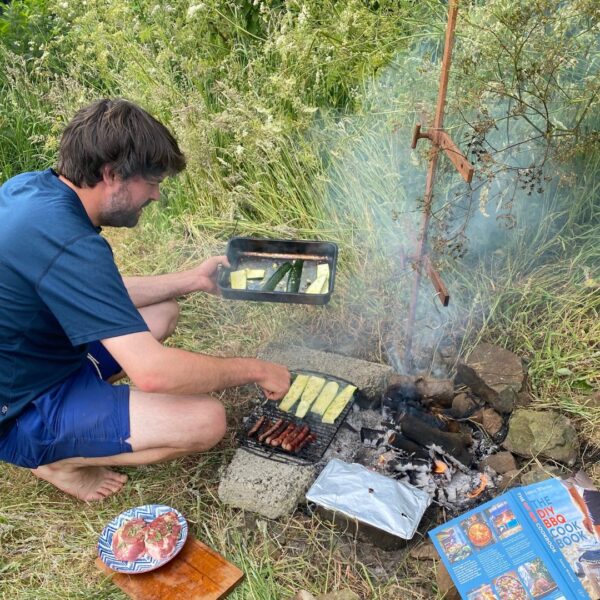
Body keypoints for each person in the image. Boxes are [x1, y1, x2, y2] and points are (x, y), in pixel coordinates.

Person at [0, 99, 291, 501]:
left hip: (36, 357)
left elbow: (95, 291)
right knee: (207, 420)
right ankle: (55, 461)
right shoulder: (71, 244)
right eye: (151, 182)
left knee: (162, 311)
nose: (155, 195)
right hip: (20, 405)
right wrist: (257, 370)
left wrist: (191, 280)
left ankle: (76, 414)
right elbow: (155, 373)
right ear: (112, 174)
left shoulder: (35, 190)